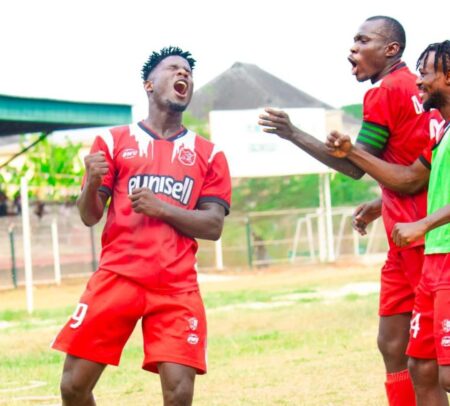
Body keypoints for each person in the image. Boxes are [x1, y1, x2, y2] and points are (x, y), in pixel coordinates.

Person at [258, 16, 442, 406]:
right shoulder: (419, 88)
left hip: (421, 238)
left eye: (362, 41)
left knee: (427, 361)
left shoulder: (385, 92)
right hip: (406, 232)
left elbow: (356, 165)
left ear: (390, 49)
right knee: (392, 343)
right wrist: (382, 203)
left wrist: (293, 133)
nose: (352, 50)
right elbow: (424, 167)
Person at [52, 46, 232, 406]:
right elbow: (90, 215)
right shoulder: (113, 141)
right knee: (73, 387)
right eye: (173, 68)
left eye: (188, 71)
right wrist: (91, 183)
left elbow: (213, 226)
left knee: (179, 393)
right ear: (149, 84)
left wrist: (161, 208)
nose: (183, 74)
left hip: (176, 286)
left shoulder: (209, 154)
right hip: (118, 277)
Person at [326, 40, 450, 406]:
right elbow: (418, 178)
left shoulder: (388, 93)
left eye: (426, 73)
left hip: (440, 252)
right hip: (432, 257)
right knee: (420, 366)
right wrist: (382, 204)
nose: (418, 81)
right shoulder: (441, 132)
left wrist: (422, 225)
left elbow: (411, 181)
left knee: (446, 373)